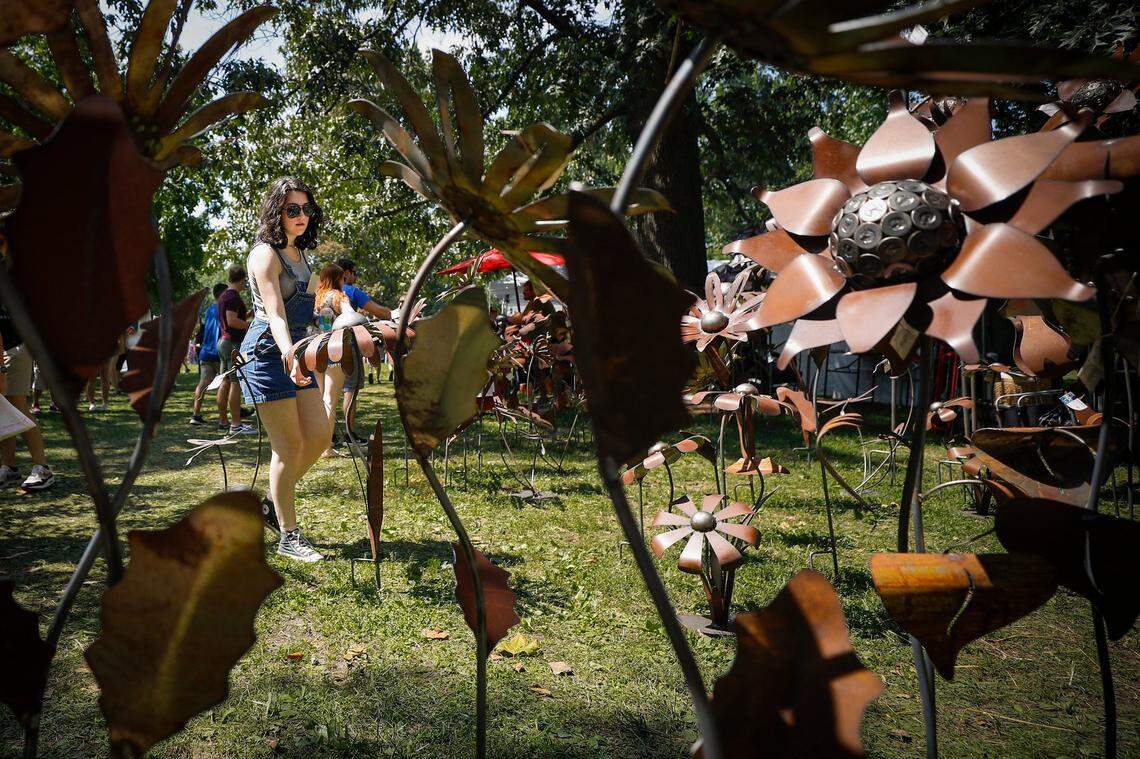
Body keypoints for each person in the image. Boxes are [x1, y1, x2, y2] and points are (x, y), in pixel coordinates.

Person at [239, 176, 334, 562]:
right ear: (276, 211)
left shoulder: (300, 255)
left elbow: (306, 309)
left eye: (305, 209)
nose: (300, 216)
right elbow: (275, 314)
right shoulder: (265, 254)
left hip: (297, 349)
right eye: (292, 209)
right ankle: (288, 534)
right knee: (288, 445)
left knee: (318, 437)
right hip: (268, 352)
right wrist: (289, 354)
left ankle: (273, 503)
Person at [334, 258, 391, 438]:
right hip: (349, 344)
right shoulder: (351, 291)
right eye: (355, 273)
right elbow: (378, 311)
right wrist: (396, 314)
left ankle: (329, 435)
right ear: (346, 273)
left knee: (329, 392)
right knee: (350, 390)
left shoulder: (326, 292)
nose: (356, 276)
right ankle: (350, 434)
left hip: (327, 345)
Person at [0, 305, 54, 491]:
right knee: (5, 410)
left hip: (12, 348)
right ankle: (9, 467)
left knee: (18, 407)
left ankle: (43, 469)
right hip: (9, 347)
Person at [313, 263, 358, 456]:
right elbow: (350, 315)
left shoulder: (316, 297)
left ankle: (318, 444)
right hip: (335, 350)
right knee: (330, 399)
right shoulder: (339, 296)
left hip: (314, 349)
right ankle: (326, 447)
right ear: (339, 279)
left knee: (319, 398)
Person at [218, 265, 255, 435]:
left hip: (224, 342)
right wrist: (250, 325)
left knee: (224, 382)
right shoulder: (233, 296)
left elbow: (232, 318)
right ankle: (236, 424)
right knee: (235, 383)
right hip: (232, 343)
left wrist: (249, 314)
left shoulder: (224, 295)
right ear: (242, 279)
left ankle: (223, 421)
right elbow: (232, 321)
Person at [190, 283, 227, 426]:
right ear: (223, 294)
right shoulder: (223, 308)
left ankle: (196, 415)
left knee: (203, 384)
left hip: (206, 352)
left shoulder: (209, 309)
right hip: (218, 352)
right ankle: (224, 419)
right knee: (227, 383)